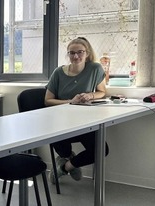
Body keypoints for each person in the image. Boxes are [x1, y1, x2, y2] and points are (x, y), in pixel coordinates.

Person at [44, 37, 109, 183]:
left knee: (101, 150)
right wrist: (70, 102)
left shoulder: (95, 68)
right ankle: (67, 157)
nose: (76, 56)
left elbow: (102, 92)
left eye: (80, 52)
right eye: (71, 53)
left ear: (87, 53)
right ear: (68, 54)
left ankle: (65, 166)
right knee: (63, 147)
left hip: (84, 122)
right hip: (59, 123)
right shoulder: (58, 73)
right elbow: (47, 101)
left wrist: (90, 95)